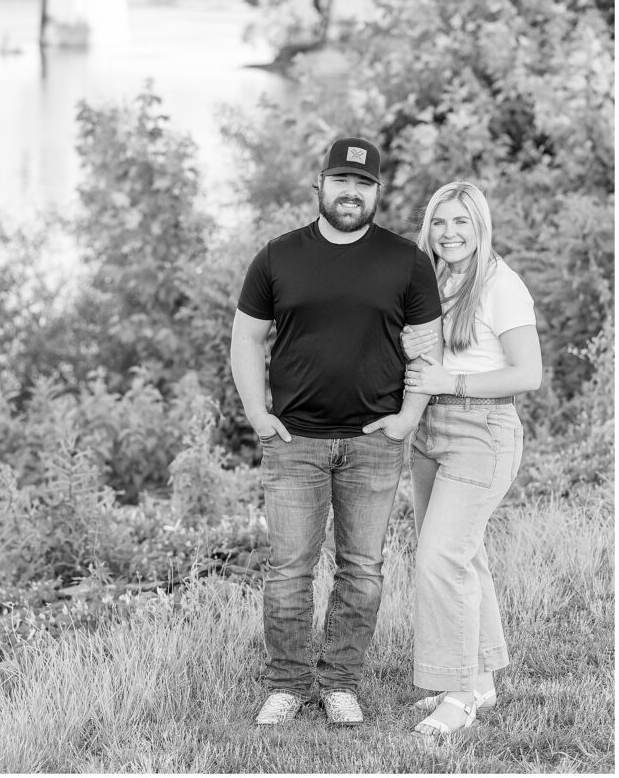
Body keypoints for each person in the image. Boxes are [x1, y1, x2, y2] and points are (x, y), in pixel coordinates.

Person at [230, 137, 442, 726]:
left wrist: (408, 417)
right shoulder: (278, 257)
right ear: (319, 185)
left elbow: (427, 348)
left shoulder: (405, 261)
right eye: (341, 181)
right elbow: (246, 338)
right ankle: (288, 685)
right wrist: (256, 413)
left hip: (375, 442)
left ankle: (341, 682)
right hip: (293, 442)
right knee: (289, 569)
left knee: (362, 569)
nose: (352, 193)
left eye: (364, 184)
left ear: (377, 192)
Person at [400, 180, 542, 739]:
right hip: (430, 430)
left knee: (440, 557)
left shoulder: (503, 285)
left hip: (483, 430)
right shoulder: (432, 279)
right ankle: (481, 678)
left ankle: (457, 695)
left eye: (462, 222)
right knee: (466, 556)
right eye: (439, 222)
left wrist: (448, 380)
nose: (449, 233)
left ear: (480, 227)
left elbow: (528, 374)